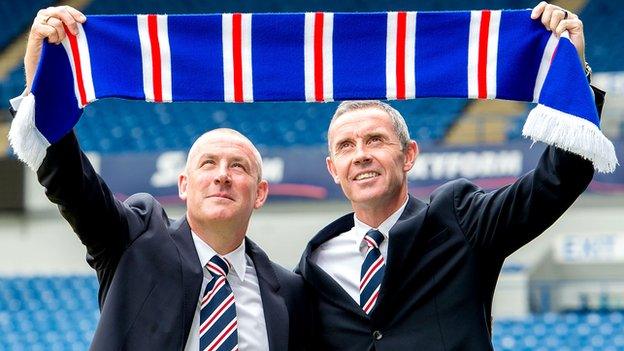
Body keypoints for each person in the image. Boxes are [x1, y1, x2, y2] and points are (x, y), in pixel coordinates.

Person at [297, 2, 605, 350]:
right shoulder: (311, 267)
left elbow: (559, 179)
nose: (361, 154)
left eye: (375, 140)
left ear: (409, 155)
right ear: (332, 169)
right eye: (346, 146)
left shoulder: (459, 219)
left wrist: (572, 71)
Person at [9, 6, 310, 351]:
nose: (222, 176)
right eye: (208, 163)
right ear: (183, 185)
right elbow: (71, 182)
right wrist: (42, 79)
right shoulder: (134, 241)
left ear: (260, 193)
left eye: (238, 167)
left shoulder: (291, 293)